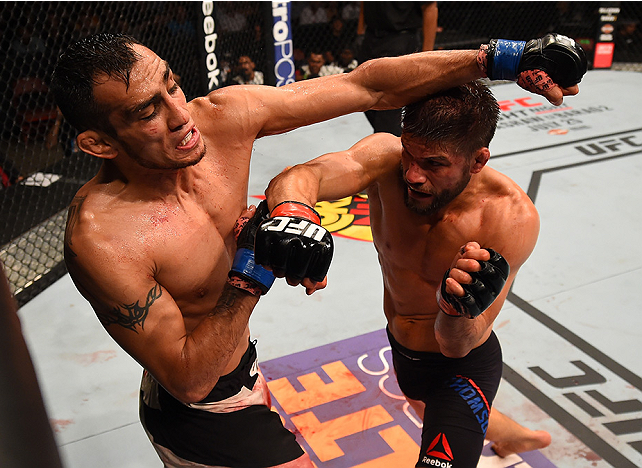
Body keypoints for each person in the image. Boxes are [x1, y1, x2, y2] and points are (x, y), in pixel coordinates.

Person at [49, 31, 584, 468]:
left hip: (242, 363)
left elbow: (367, 86)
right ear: (99, 143)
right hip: (201, 409)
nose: (180, 114)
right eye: (147, 112)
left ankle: (506, 434)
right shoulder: (102, 239)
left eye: (173, 85)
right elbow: (189, 378)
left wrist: (501, 58)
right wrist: (256, 261)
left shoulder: (221, 116)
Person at [260, 80, 566, 467]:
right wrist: (294, 211)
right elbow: (306, 176)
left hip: (461, 362)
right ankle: (523, 437)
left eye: (434, 164)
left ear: (477, 161)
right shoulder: (386, 160)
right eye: (409, 155)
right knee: (426, 405)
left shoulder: (508, 218)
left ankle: (512, 432)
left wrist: (455, 308)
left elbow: (460, 344)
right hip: (402, 348)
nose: (413, 175)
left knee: (445, 416)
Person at [357, 1, 438, 136]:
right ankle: (394, 139)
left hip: (399, 39)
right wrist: (360, 32)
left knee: (388, 108)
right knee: (363, 96)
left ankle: (389, 146)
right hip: (370, 38)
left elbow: (430, 8)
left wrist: (426, 55)